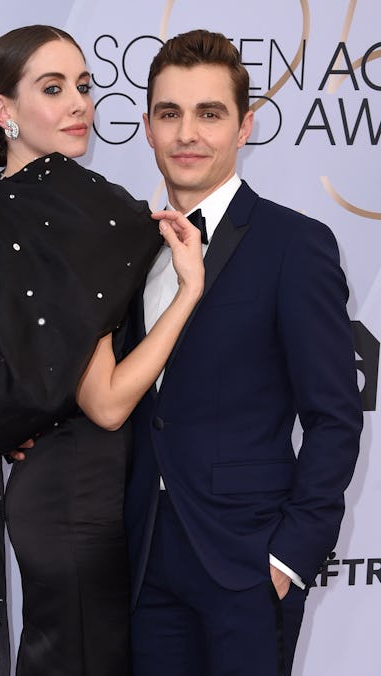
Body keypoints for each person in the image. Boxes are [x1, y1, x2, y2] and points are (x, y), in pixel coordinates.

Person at [0, 25, 204, 676]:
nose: (79, 104)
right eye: (53, 88)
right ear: (4, 111)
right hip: (70, 505)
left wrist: (12, 421)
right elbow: (108, 404)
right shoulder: (98, 221)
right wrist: (189, 291)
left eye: (84, 87)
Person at [124, 29, 363, 676]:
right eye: (169, 113)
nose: (187, 133)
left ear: (245, 125)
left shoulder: (295, 246)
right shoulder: (125, 249)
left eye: (210, 113)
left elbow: (334, 416)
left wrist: (288, 558)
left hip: (247, 564)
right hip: (142, 562)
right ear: (147, 127)